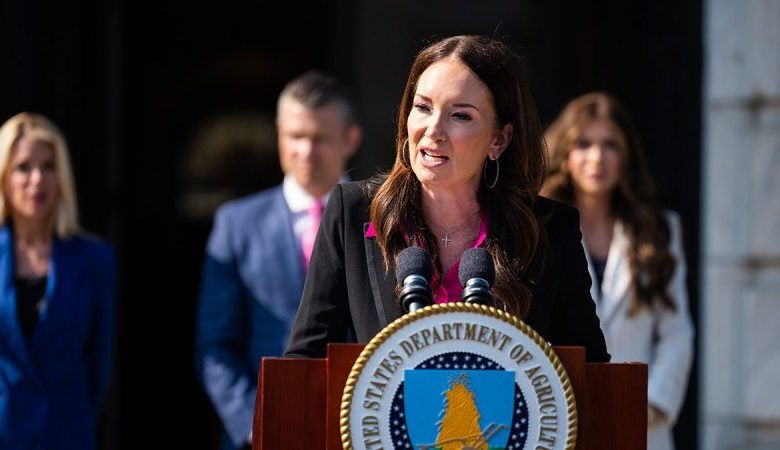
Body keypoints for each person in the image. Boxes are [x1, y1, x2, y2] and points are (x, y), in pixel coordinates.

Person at [284, 35, 610, 364]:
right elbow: (304, 360)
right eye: (423, 107)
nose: (433, 130)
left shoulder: (550, 229)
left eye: (460, 116)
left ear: (499, 139)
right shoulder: (353, 211)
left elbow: (592, 370)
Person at [195, 70, 362, 450]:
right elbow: (215, 347)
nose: (306, 151)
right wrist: (257, 424)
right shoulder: (236, 224)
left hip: (357, 429)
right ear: (279, 135)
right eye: (295, 136)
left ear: (351, 139)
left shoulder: (380, 219)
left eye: (319, 138)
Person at [542, 92, 694, 450]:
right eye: (584, 143)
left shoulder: (661, 230)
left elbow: (677, 333)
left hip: (642, 425)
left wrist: (649, 406)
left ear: (626, 156)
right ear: (565, 152)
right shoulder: (541, 229)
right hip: (562, 421)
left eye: (609, 144)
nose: (597, 157)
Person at [0, 112, 116, 449]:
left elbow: (99, 364)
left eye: (49, 166)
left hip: (66, 433)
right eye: (23, 167)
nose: (37, 179)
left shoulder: (95, 259)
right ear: (4, 176)